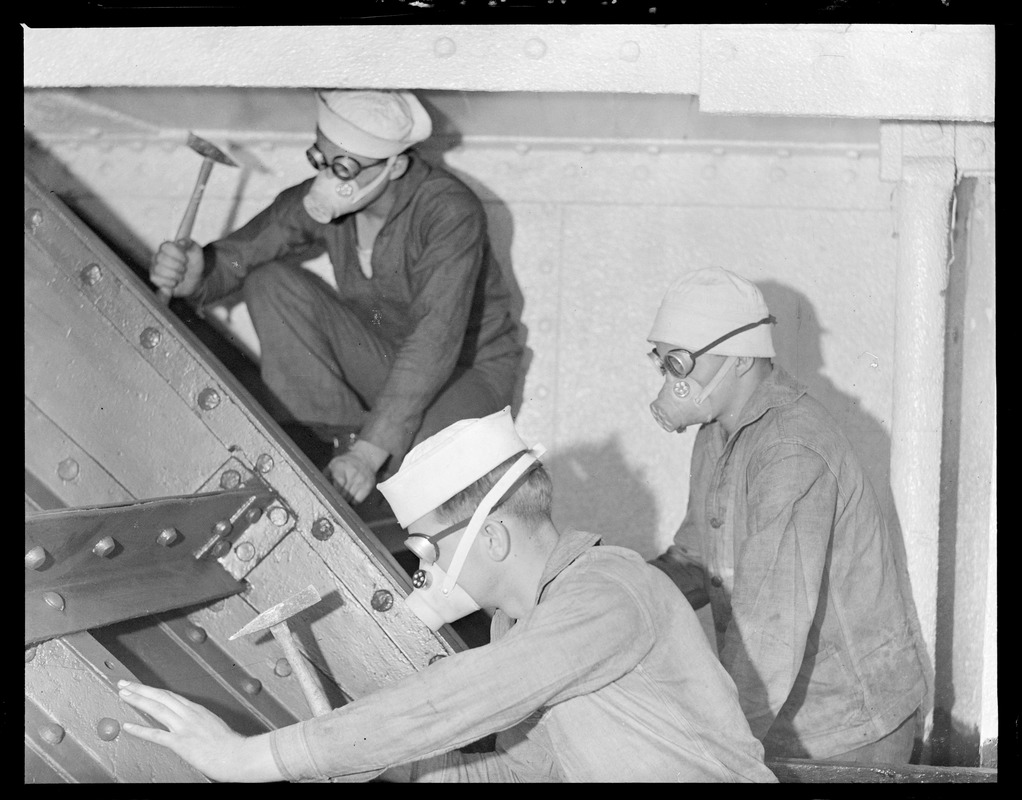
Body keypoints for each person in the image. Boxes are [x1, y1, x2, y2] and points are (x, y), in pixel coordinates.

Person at [117, 407, 777, 783]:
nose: (421, 568)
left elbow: (463, 699)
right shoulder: (523, 627)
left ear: (489, 538)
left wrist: (253, 758)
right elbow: (528, 773)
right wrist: (393, 773)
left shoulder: (609, 590)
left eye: (427, 547)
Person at [149, 89, 521, 507]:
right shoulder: (332, 199)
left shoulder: (449, 212)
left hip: (465, 369)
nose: (327, 178)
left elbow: (434, 338)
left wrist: (369, 451)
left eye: (343, 167)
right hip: (387, 359)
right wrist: (199, 275)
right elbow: (247, 250)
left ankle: (367, 458)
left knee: (419, 477)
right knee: (270, 282)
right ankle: (335, 444)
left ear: (395, 165)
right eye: (320, 160)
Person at [646, 266, 928, 764]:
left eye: (680, 361)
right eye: (662, 361)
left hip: (847, 733)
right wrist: (608, 591)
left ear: (738, 358)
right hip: (781, 719)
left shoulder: (791, 450)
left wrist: (713, 752)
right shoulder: (718, 438)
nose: (671, 380)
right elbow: (693, 565)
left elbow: (768, 634)